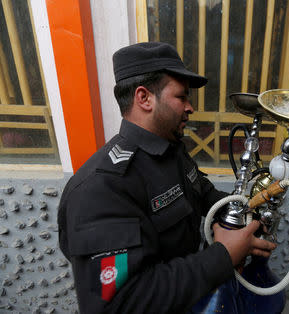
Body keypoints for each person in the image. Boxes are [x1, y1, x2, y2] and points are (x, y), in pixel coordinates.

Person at [58, 42, 276, 313]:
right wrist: (223, 255)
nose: (190, 107)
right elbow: (120, 303)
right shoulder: (102, 188)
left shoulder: (170, 149)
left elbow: (201, 192)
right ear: (144, 98)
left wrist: (241, 213)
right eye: (181, 97)